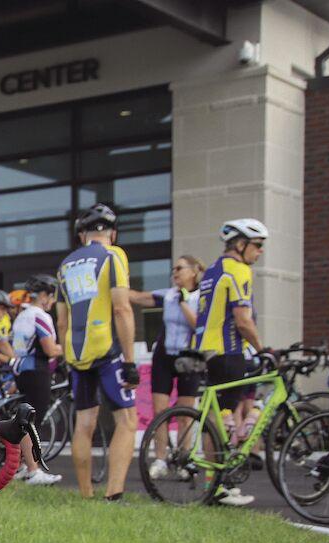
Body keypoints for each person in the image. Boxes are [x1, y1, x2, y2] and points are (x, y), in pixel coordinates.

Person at [55, 203, 138, 501]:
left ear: (81, 235)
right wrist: (130, 361)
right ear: (112, 233)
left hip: (77, 354)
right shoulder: (114, 255)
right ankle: (114, 493)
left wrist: (66, 358)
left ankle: (87, 495)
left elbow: (62, 321)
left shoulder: (65, 266)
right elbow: (122, 307)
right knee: (127, 420)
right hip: (108, 349)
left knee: (85, 423)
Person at [191, 218, 270, 506]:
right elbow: (243, 319)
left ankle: (213, 485)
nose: (260, 252)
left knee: (216, 417)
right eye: (258, 246)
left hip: (209, 349)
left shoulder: (213, 269)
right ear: (240, 244)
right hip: (229, 350)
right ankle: (221, 485)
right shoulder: (239, 270)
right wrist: (263, 349)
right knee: (227, 415)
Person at [130, 255, 202, 479]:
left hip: (189, 357)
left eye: (179, 268)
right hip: (164, 355)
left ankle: (183, 459)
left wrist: (183, 301)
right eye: (173, 269)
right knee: (160, 412)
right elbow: (140, 298)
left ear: (194, 271)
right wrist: (118, 289)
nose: (175, 273)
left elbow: (198, 325)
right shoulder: (168, 295)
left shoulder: (201, 297)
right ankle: (160, 459)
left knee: (184, 414)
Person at [10, 274, 63, 485]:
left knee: (25, 419)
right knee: (32, 423)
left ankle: (23, 467)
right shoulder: (40, 315)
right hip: (37, 371)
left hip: (21, 370)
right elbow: (50, 349)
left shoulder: (22, 315)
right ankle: (34, 470)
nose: (52, 301)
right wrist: (66, 349)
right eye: (51, 296)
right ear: (42, 295)